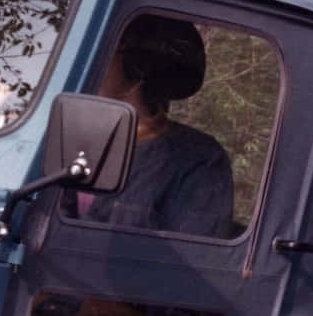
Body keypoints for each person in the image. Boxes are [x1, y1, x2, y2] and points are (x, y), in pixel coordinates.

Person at [71, 16, 235, 238]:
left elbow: (186, 262)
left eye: (105, 49)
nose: (90, 58)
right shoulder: (66, 134)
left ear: (137, 67)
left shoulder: (199, 160)